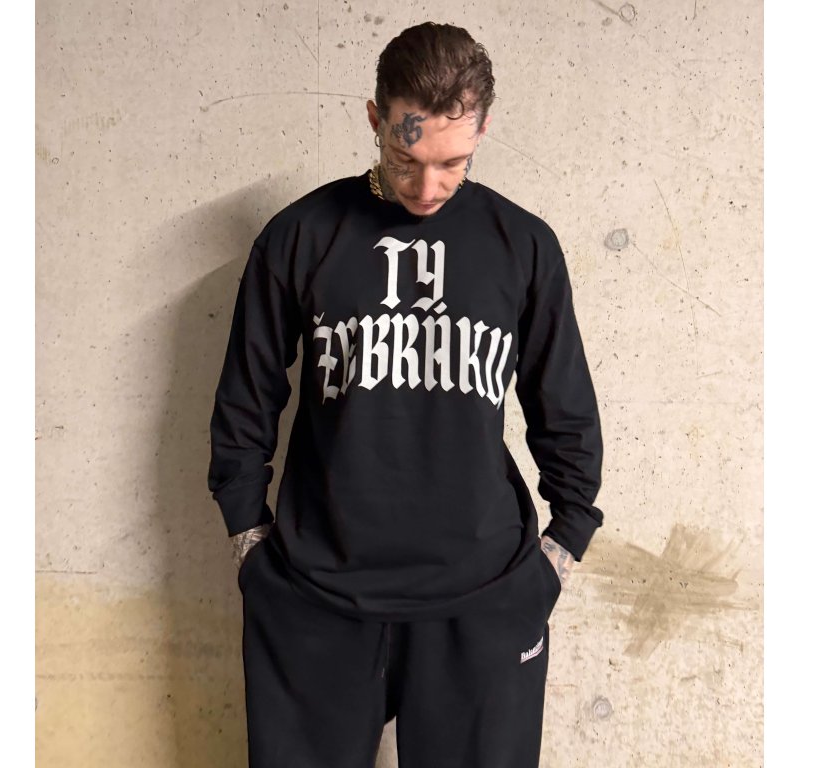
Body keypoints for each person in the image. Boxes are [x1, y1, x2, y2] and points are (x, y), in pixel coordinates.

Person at [207, 21, 603, 768]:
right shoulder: (300, 237)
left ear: (483, 128)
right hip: (316, 598)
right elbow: (244, 402)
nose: (427, 188)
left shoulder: (522, 245)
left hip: (483, 600)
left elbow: (566, 409)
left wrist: (564, 544)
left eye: (453, 162)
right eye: (405, 157)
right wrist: (249, 543)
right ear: (375, 119)